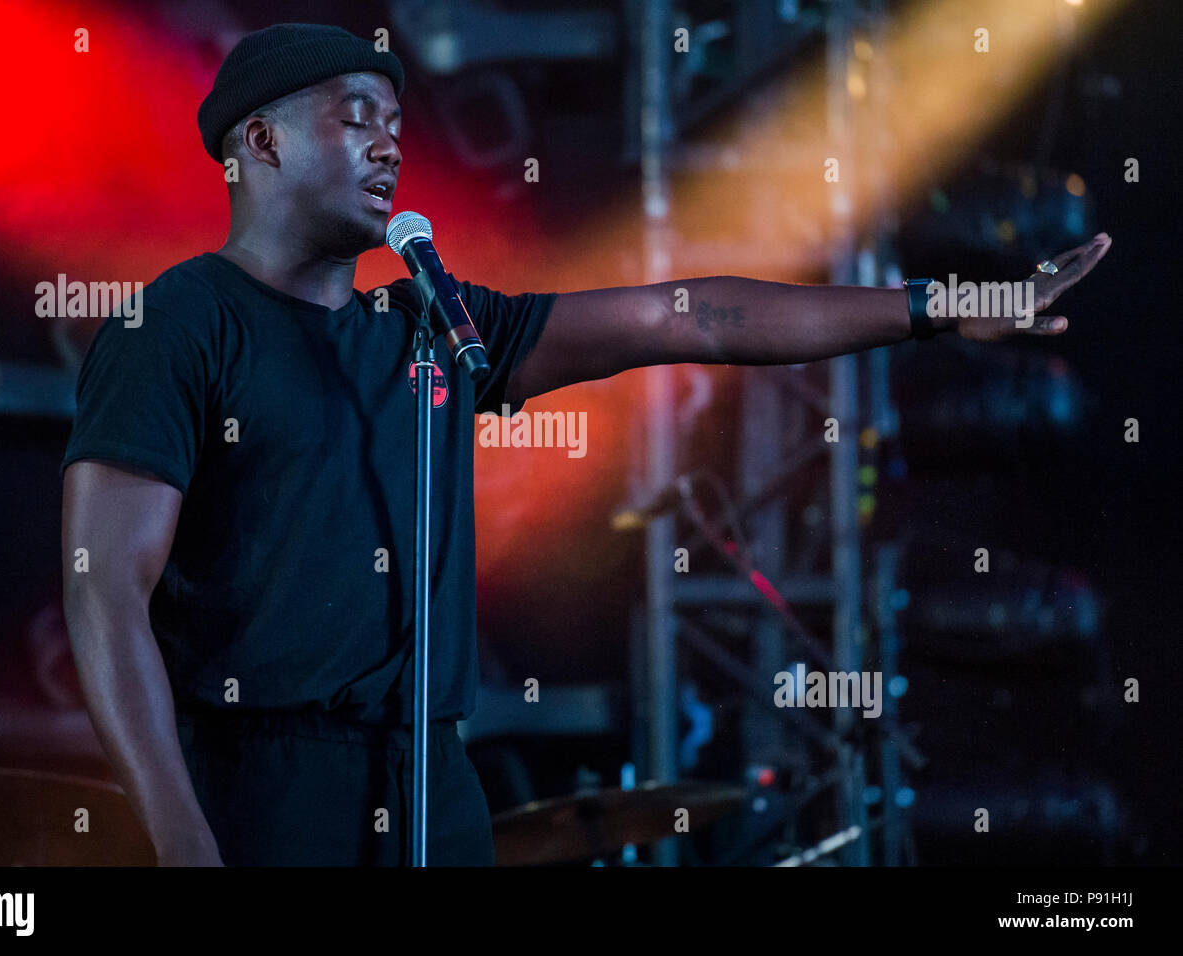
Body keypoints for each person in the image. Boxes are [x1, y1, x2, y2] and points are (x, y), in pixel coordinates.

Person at [59, 23, 1110, 867]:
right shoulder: (182, 322)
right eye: (354, 116)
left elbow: (689, 318)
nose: (388, 142)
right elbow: (103, 586)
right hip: (256, 787)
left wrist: (933, 304)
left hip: (430, 781)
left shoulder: (426, 325)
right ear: (260, 141)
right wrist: (179, 833)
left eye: (394, 120)